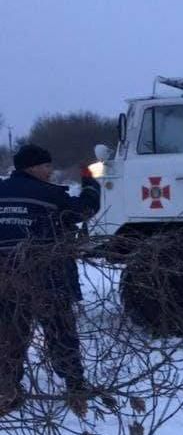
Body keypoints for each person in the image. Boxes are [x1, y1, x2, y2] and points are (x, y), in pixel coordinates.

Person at [0, 144, 102, 416]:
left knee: (10, 333)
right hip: (48, 278)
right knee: (60, 332)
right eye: (46, 166)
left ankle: (7, 390)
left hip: (7, 280)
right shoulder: (49, 195)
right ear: (33, 168)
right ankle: (76, 388)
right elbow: (83, 211)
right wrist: (90, 183)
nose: (50, 171)